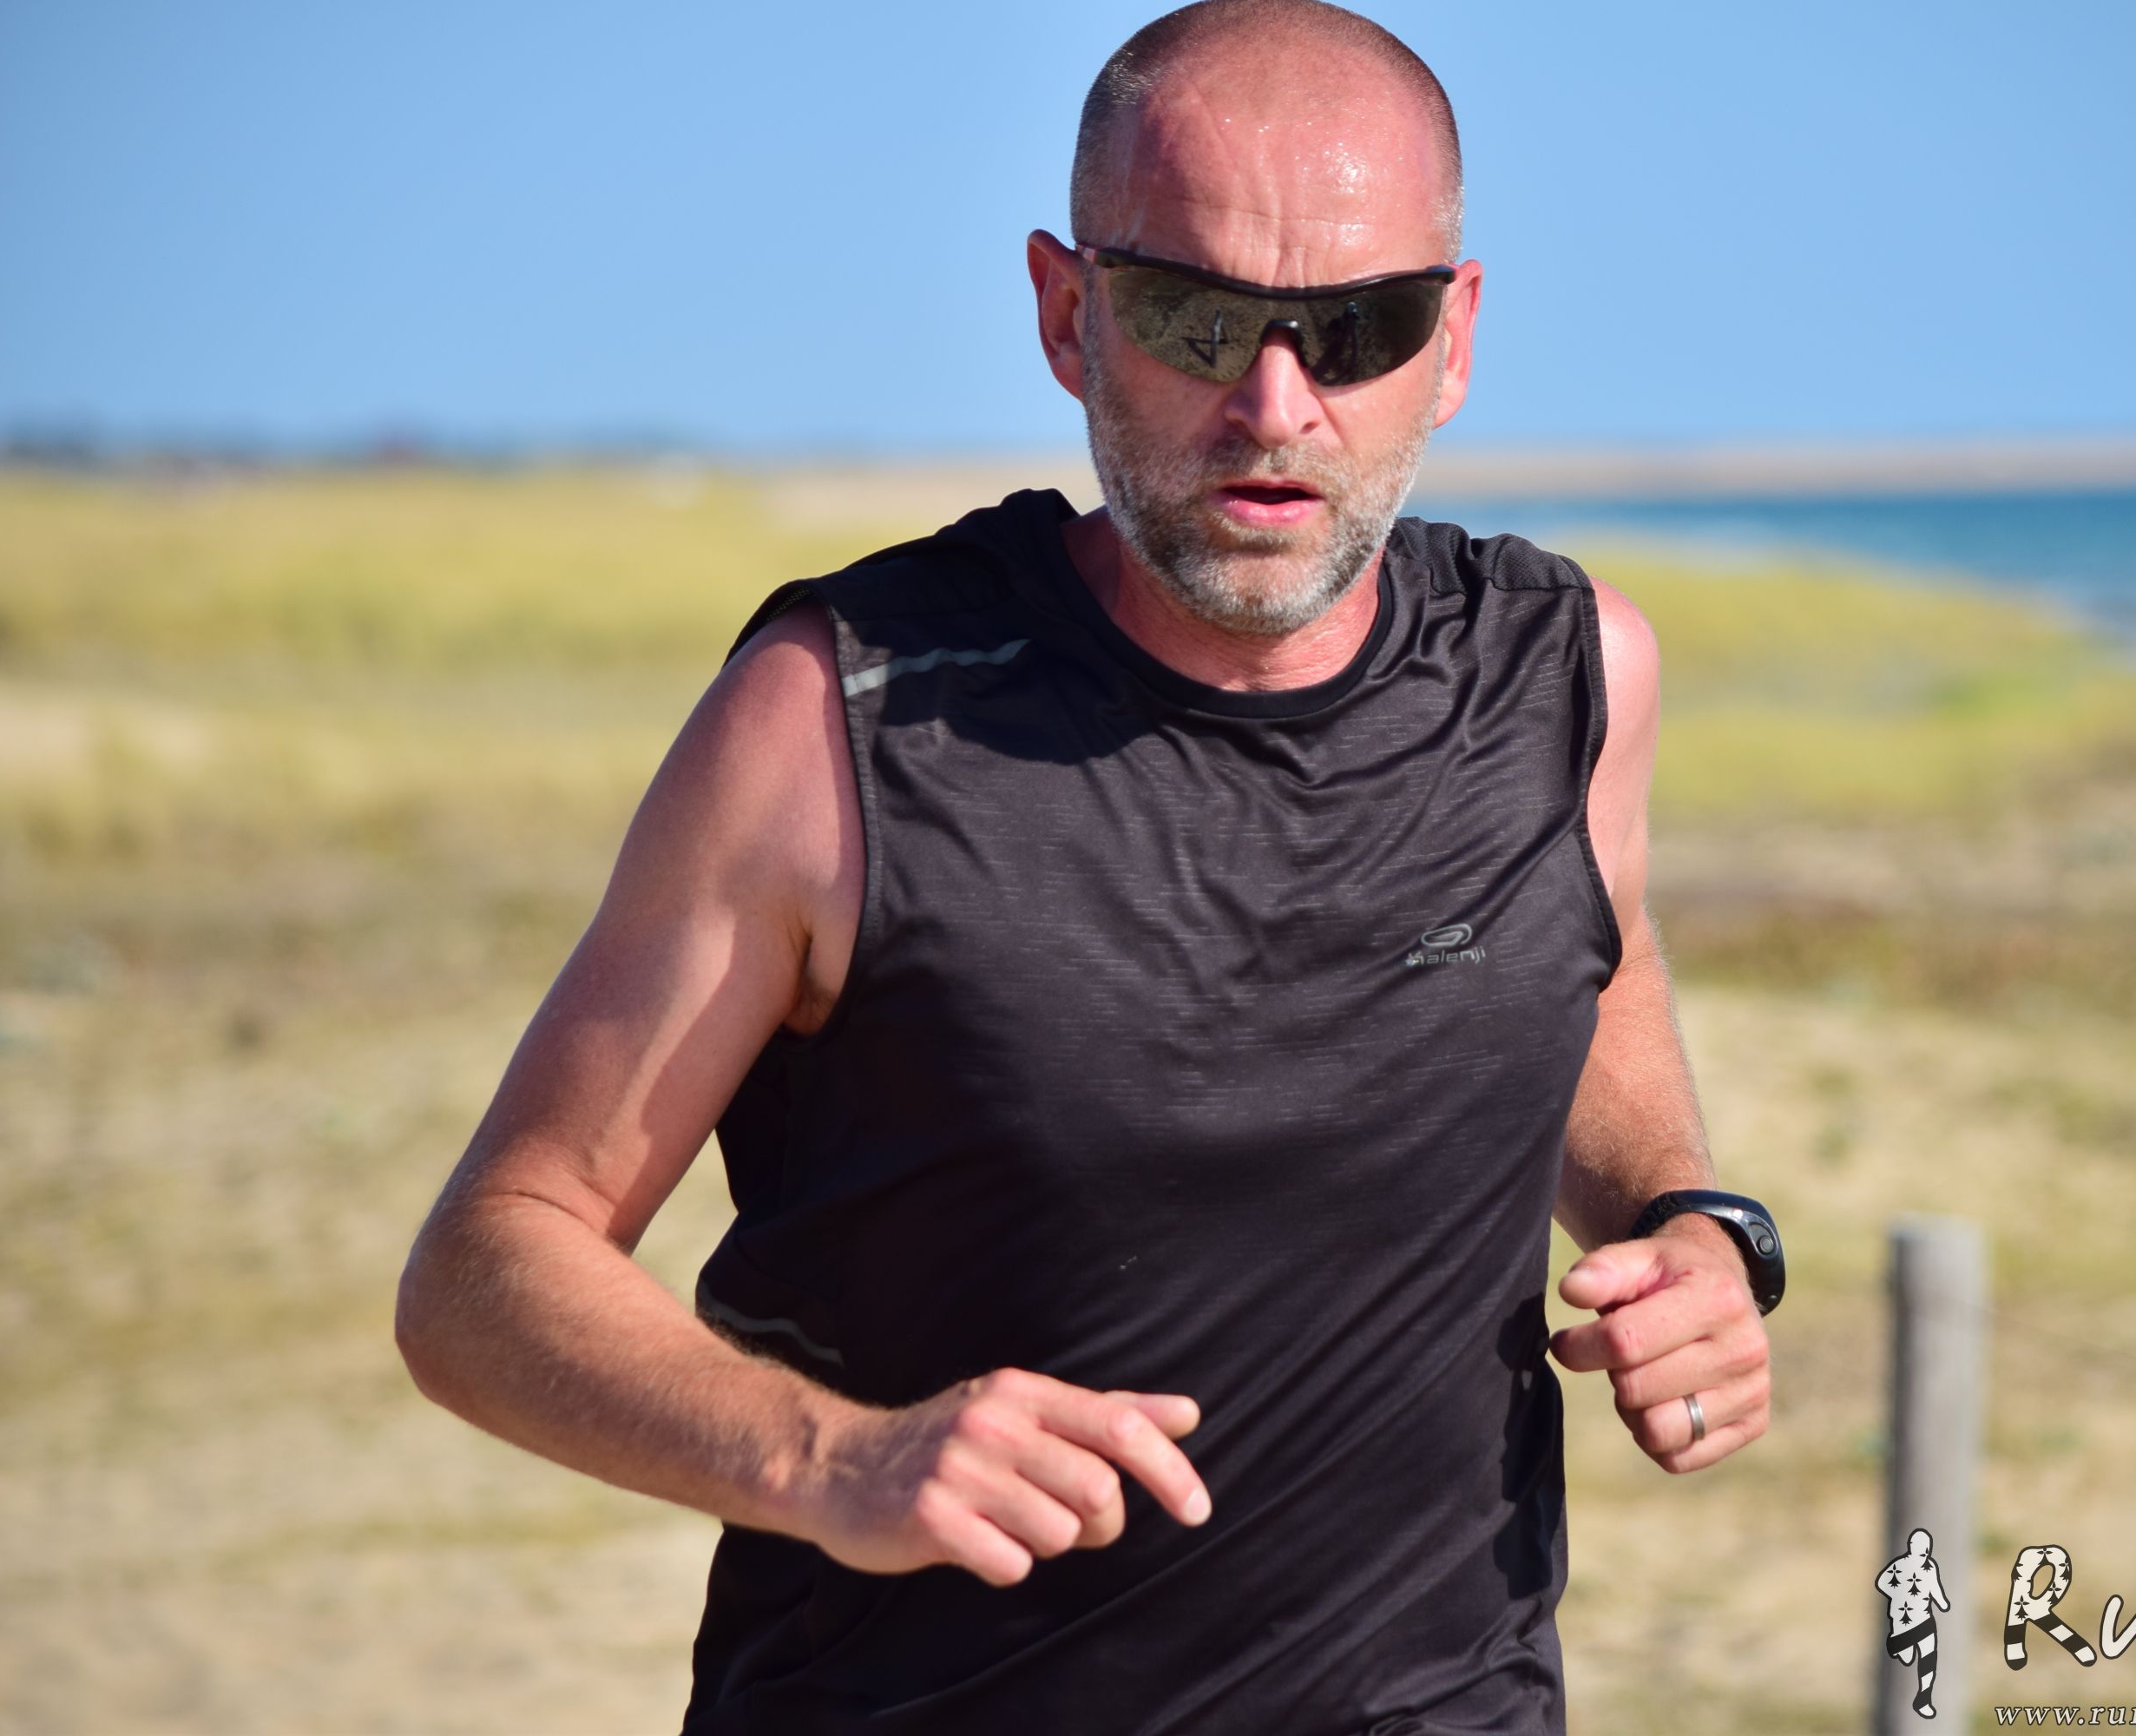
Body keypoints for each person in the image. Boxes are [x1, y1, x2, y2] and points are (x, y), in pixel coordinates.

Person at [393, 3, 1778, 1730]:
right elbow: (484, 1270)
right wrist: (833, 1460)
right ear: (1068, 314)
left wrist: (1688, 1223)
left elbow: (1577, 965)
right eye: (1197, 317)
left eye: (1357, 327)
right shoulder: (835, 723)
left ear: (1454, 339)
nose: (1274, 404)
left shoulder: (1565, 678)